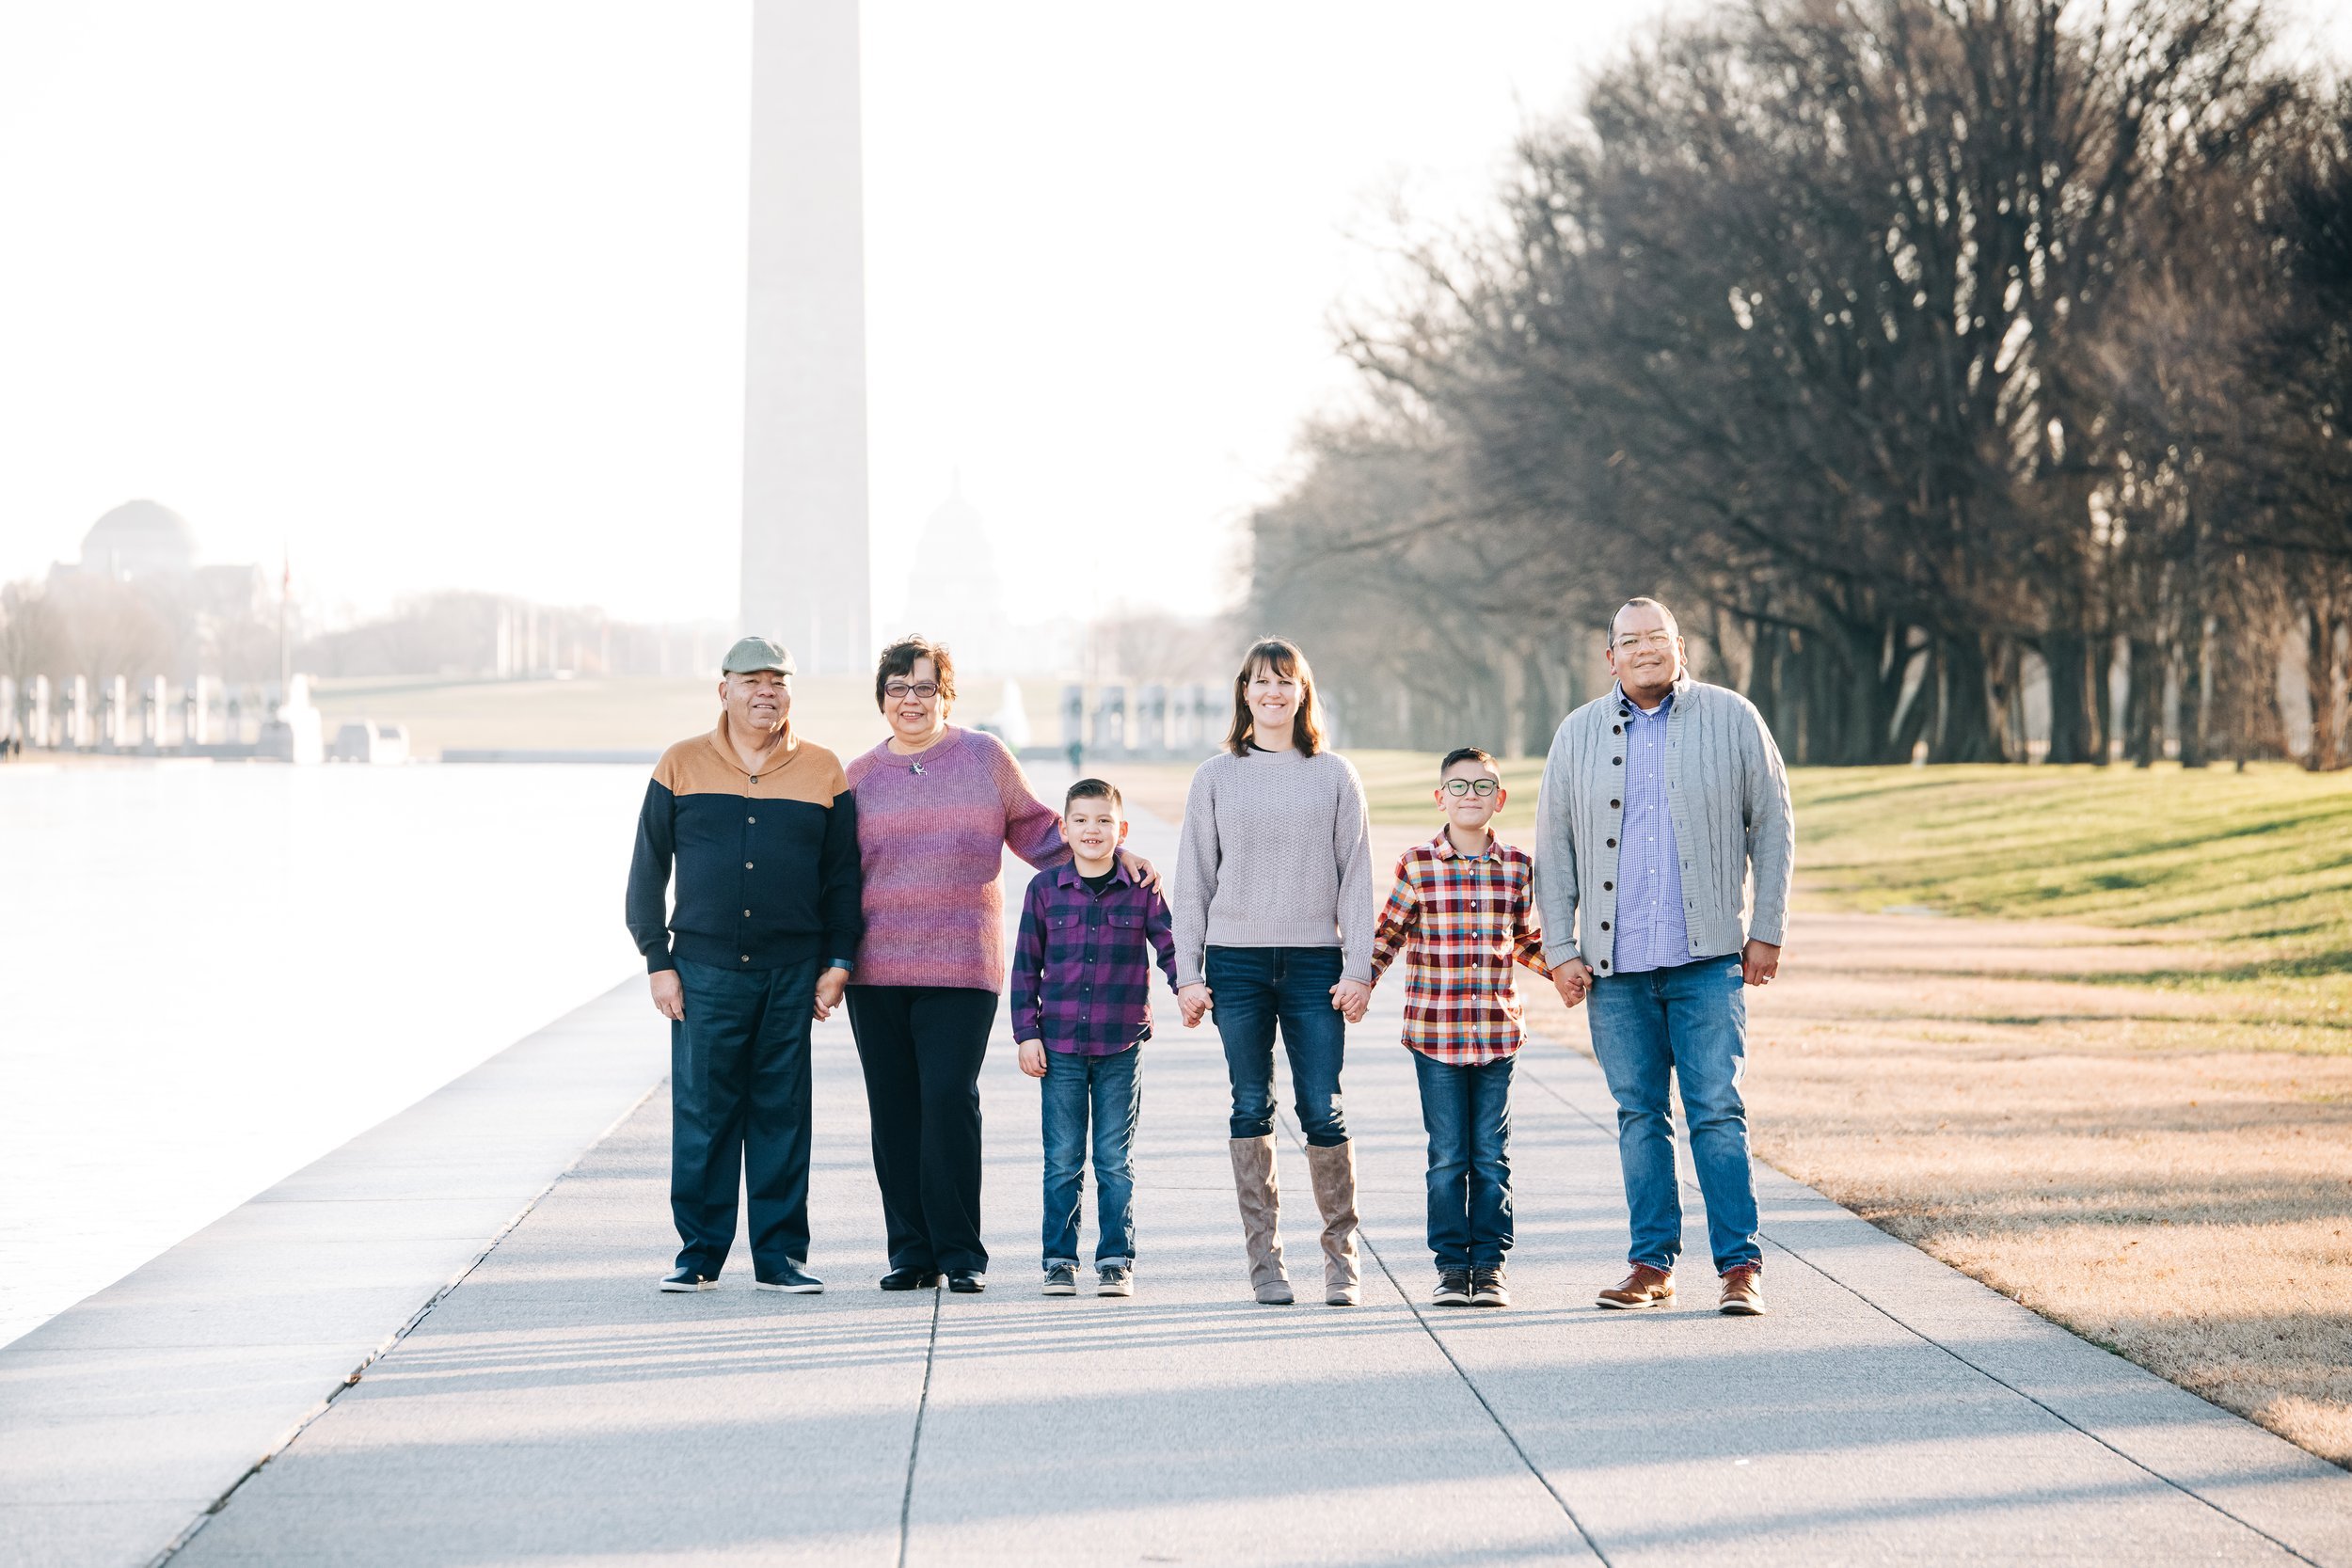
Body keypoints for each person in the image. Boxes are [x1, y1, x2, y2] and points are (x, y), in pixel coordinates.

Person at [843, 635, 1154, 1296]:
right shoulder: (859, 775)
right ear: (882, 698)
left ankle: (961, 1252)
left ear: (946, 695)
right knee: (894, 1109)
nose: (911, 700)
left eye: (925, 687)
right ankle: (911, 1252)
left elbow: (1045, 834)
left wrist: (1116, 862)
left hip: (961, 965)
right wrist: (830, 961)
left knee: (949, 1100)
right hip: (877, 970)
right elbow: (837, 877)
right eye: (898, 688)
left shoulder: (985, 757)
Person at [1534, 596, 1794, 1316]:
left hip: (1707, 960)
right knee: (1639, 1114)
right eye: (1630, 639)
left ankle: (1740, 1266)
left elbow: (1774, 822)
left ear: (1681, 645)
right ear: (1609, 655)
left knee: (1716, 1109)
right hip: (1614, 969)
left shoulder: (1732, 718)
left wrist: (1766, 928)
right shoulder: (1578, 733)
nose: (1645, 648)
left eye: (1658, 636)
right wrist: (1560, 948)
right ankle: (1651, 1263)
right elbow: (1552, 848)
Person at [625, 636, 862, 1294]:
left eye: (779, 681)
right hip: (701, 970)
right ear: (723, 689)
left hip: (792, 970)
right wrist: (657, 959)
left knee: (781, 1112)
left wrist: (838, 960)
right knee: (703, 1112)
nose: (767, 692)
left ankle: (780, 1257)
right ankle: (698, 1254)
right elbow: (647, 870)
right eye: (752, 680)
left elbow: (843, 879)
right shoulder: (680, 763)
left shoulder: (823, 770)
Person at [1173, 637, 1376, 1307]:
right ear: (1244, 692)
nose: (1273, 692)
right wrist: (1188, 974)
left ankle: (1341, 1257)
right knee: (1249, 1102)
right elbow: (1194, 880)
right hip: (1236, 965)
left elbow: (1356, 880)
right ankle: (1266, 1261)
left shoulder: (1335, 774)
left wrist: (1359, 969)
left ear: (1303, 692)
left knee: (1322, 1105)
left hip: (1317, 962)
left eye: (1285, 681)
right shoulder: (1214, 776)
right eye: (1261, 681)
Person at [1367, 746, 1549, 1309]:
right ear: (1440, 796)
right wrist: (1359, 981)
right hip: (1436, 1034)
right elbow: (1388, 934)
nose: (1471, 796)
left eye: (1483, 786)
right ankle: (1451, 1267)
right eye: (1459, 786)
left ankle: (1489, 1267)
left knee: (1491, 1154)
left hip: (1497, 1033)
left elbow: (1525, 940)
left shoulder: (1517, 866)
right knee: (1448, 1155)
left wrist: (1568, 974)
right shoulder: (1417, 864)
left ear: (1500, 798)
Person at [1009, 778, 1184, 1299]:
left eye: (1104, 821)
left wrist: (1190, 989)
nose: (1093, 829)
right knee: (1062, 1157)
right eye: (1081, 820)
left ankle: (1115, 1259)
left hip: (1120, 1042)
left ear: (1121, 830)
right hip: (1058, 1044)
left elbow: (1170, 944)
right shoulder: (1043, 890)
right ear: (1064, 829)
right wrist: (1025, 1034)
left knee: (1113, 1158)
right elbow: (1024, 969)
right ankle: (1059, 1261)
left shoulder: (1142, 888)